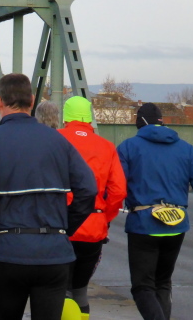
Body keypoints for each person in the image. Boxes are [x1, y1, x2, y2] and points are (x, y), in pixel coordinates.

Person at [0, 73, 97, 320]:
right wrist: (65, 226)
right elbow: (88, 189)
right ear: (32, 100)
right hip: (54, 253)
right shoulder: (58, 140)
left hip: (9, 251)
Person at [117, 102, 193, 320]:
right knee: (163, 282)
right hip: (176, 225)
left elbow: (116, 187)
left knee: (143, 287)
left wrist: (104, 217)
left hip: (142, 224)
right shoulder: (186, 149)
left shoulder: (128, 147)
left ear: (139, 123)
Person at [57, 96, 127, 318]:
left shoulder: (55, 140)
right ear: (89, 118)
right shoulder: (106, 147)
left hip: (59, 224)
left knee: (58, 290)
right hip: (94, 227)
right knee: (80, 290)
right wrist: (105, 217)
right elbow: (118, 191)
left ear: (65, 117)